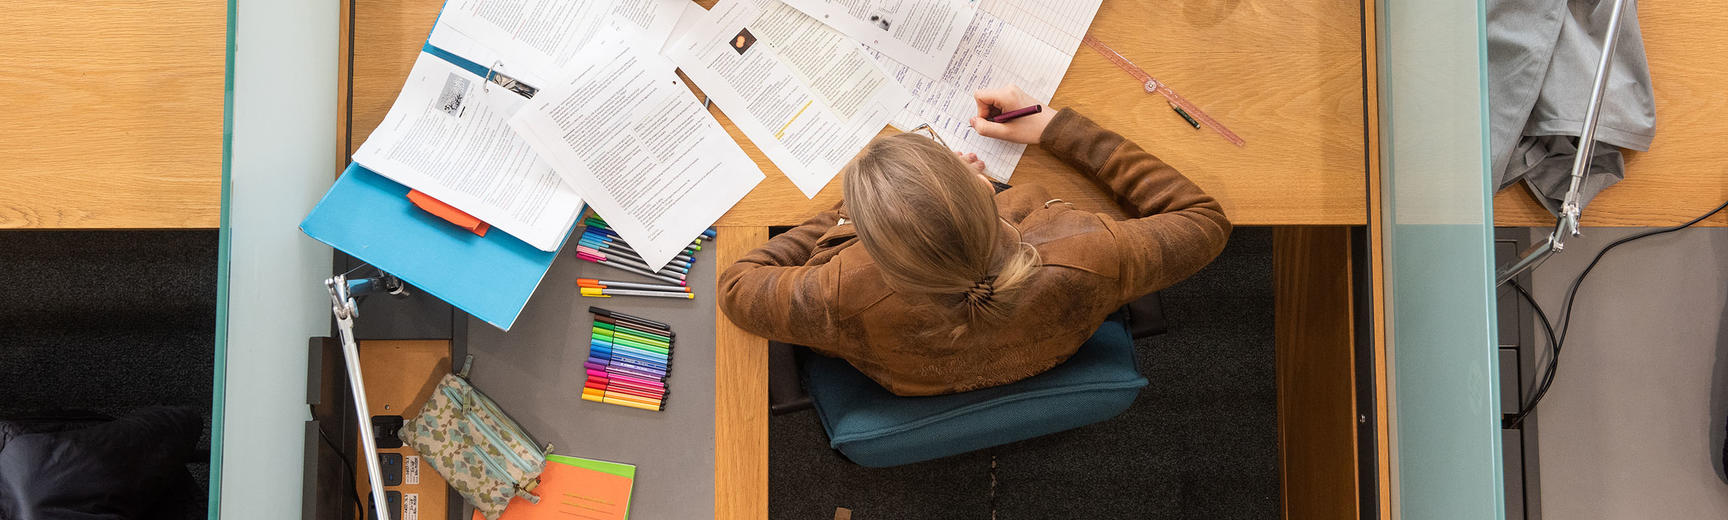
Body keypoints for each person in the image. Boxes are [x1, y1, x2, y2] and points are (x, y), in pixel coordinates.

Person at [718, 85, 1231, 396]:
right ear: (988, 192)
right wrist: (1055, 128)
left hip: (912, 387)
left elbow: (738, 287)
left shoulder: (840, 291)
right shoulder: (1084, 250)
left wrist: (847, 214)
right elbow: (1204, 220)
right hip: (1052, 352)